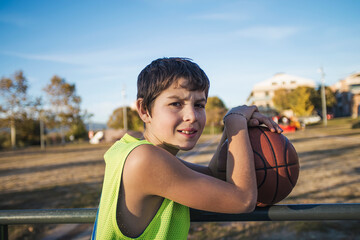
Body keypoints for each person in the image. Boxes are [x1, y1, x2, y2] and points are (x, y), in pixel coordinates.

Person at [91, 57, 282, 239]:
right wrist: (236, 123)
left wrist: (231, 126)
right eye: (176, 104)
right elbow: (243, 200)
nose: (192, 115)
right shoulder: (145, 159)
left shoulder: (133, 149)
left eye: (199, 104)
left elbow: (214, 174)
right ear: (144, 110)